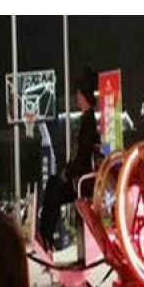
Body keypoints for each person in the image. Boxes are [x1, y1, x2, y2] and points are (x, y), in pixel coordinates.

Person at [38, 65, 101, 252]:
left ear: (83, 97)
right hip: (78, 175)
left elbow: (82, 156)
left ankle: (46, 237)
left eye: (78, 95)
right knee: (52, 185)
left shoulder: (88, 123)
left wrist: (68, 172)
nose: (76, 99)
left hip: (82, 180)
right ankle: (45, 236)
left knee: (54, 189)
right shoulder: (87, 121)